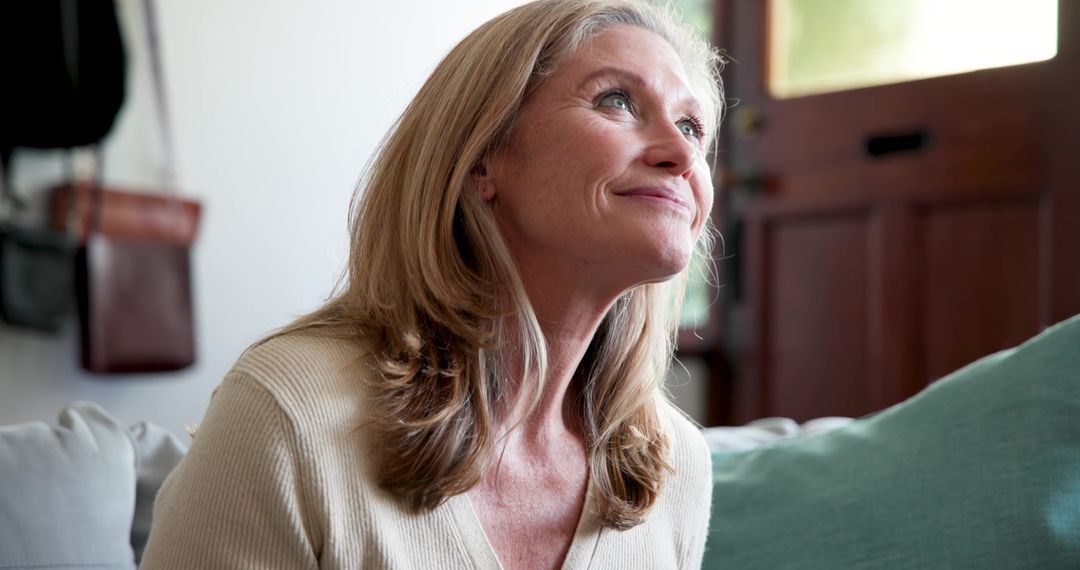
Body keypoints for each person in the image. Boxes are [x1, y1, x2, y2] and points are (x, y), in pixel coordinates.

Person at [141, 0, 724, 568]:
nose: (681, 153)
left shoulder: (675, 467)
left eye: (692, 126)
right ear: (480, 159)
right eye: (617, 100)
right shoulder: (288, 413)